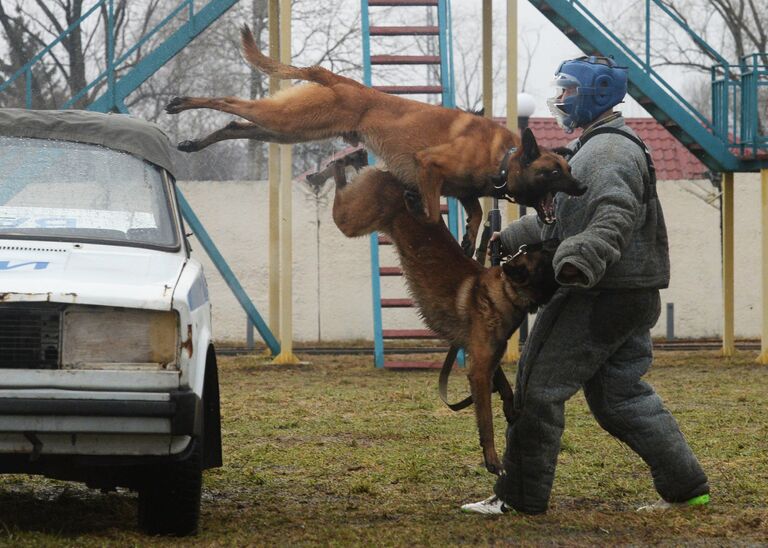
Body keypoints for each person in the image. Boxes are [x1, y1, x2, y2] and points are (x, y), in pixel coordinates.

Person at [461, 56, 709, 515]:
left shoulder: (608, 153)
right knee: (622, 397)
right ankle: (688, 487)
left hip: (597, 293)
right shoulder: (603, 146)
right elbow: (570, 220)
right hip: (631, 293)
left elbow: (612, 216)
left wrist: (578, 261)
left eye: (568, 91)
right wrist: (513, 237)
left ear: (595, 91)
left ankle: (518, 500)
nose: (560, 99)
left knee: (536, 391)